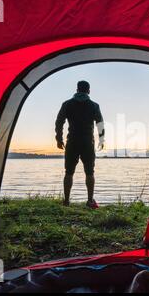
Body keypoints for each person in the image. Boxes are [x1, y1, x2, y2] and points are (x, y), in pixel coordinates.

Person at [55, 80, 105, 208]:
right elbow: (100, 123)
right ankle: (90, 201)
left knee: (69, 172)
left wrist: (59, 139)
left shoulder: (67, 104)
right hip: (87, 142)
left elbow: (59, 121)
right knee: (89, 172)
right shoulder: (94, 105)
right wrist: (101, 139)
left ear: (77, 90)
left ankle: (66, 201)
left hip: (72, 141)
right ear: (88, 90)